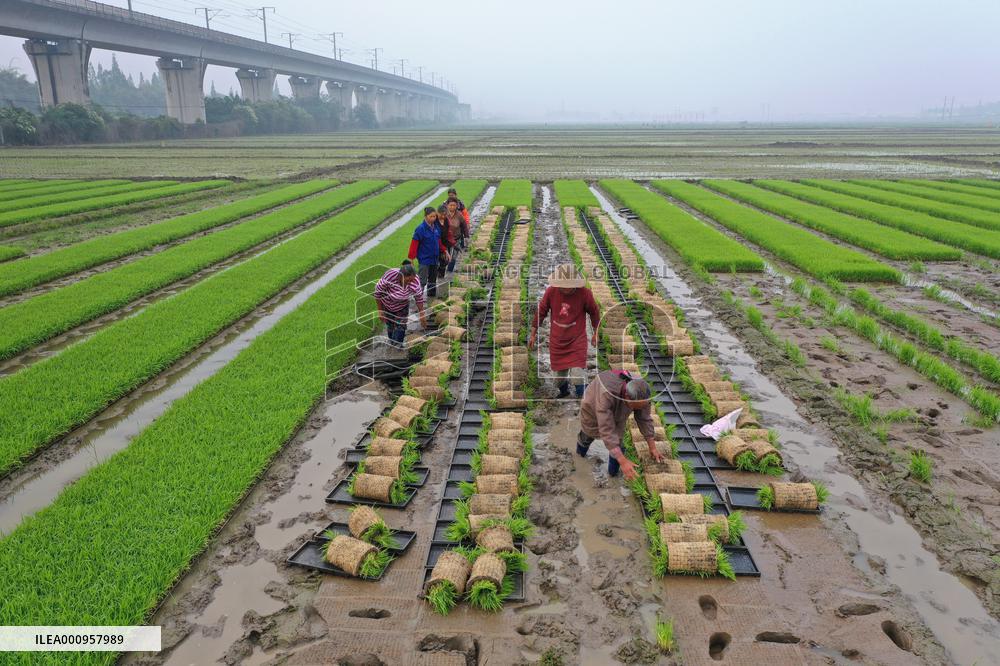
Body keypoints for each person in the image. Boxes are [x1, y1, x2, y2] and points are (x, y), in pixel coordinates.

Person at [528, 264, 600, 398]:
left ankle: (583, 398)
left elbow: (594, 313)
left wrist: (596, 332)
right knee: (558, 378)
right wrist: (533, 334)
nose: (565, 289)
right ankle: (564, 391)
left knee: (578, 375)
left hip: (576, 339)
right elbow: (541, 312)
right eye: (563, 286)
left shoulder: (585, 294)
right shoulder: (551, 292)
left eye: (569, 286)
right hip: (558, 340)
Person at [577, 370, 663, 480]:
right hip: (593, 406)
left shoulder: (641, 391)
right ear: (626, 396)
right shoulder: (606, 393)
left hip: (619, 407)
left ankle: (613, 475)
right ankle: (579, 456)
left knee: (618, 442)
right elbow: (606, 429)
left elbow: (644, 418)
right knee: (587, 435)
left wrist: (652, 447)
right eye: (634, 407)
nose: (636, 410)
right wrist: (623, 461)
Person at [374, 260, 428, 347]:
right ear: (401, 276)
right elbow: (377, 293)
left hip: (402, 305)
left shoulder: (415, 281)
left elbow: (418, 298)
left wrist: (422, 314)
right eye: (408, 280)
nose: (410, 283)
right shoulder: (390, 275)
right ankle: (393, 343)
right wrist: (380, 311)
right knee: (390, 326)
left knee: (401, 326)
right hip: (387, 304)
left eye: (412, 281)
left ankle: (397, 347)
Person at [408, 207, 449, 298]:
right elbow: (414, 244)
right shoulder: (420, 229)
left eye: (435, 216)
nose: (433, 218)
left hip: (434, 259)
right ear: (426, 216)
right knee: (422, 280)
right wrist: (411, 258)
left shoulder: (435, 227)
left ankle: (431, 298)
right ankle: (418, 298)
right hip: (424, 259)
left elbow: (438, 242)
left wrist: (445, 250)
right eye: (431, 216)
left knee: (432, 280)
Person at [442, 198, 470, 273]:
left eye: (454, 205)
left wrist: (466, 236)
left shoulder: (459, 215)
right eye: (450, 205)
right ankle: (443, 270)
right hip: (446, 239)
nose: (452, 207)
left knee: (454, 257)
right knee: (446, 257)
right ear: (447, 206)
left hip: (456, 239)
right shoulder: (444, 214)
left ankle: (449, 272)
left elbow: (464, 226)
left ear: (457, 206)